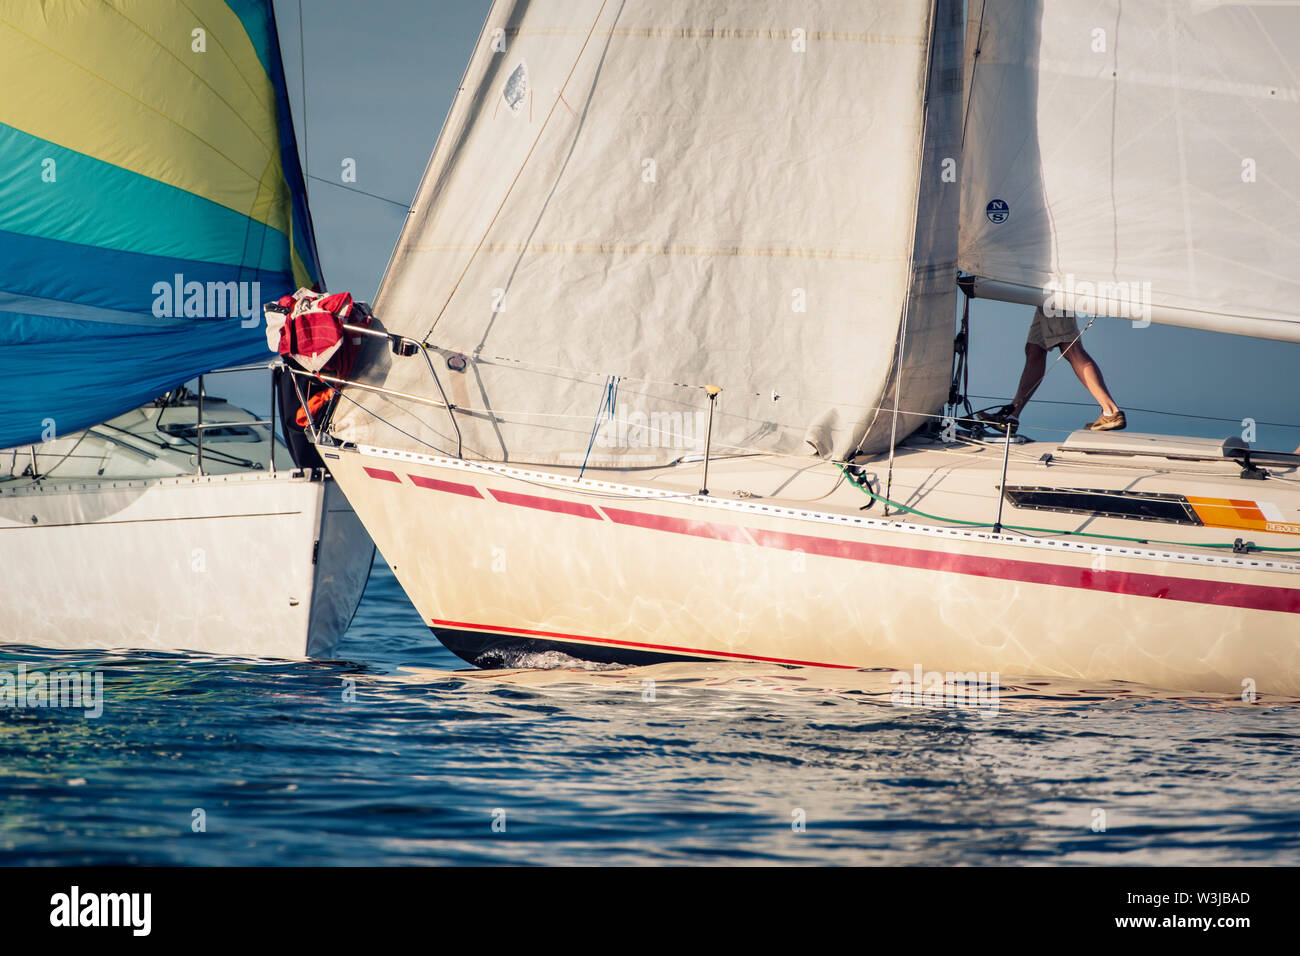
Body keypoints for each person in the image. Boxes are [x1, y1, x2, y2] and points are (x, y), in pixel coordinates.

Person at [977, 306, 1125, 433]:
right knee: (1035, 349)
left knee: (1070, 347)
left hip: (1053, 284)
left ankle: (1110, 411)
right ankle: (1012, 415)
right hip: (1042, 288)